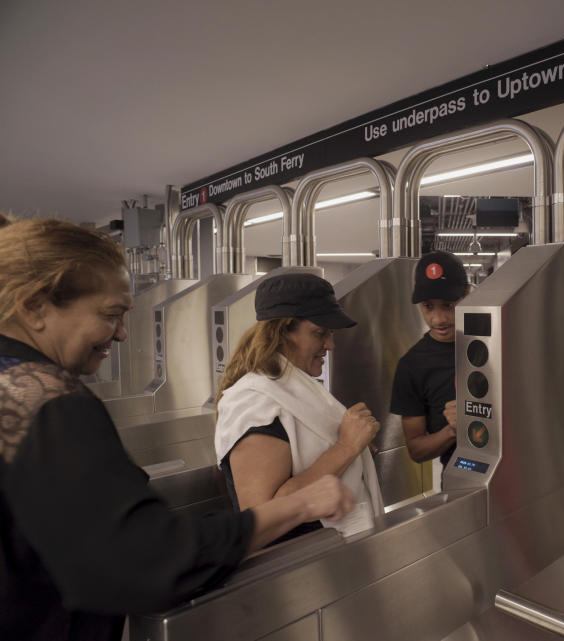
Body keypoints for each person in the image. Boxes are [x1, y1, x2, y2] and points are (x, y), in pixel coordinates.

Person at [0, 219, 354, 641]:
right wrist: (300, 504)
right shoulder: (47, 401)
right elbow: (146, 560)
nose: (122, 333)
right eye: (110, 314)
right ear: (35, 307)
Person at [215, 273, 383, 540]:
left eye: (330, 334)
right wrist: (346, 447)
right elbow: (262, 515)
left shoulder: (294, 386)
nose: (330, 345)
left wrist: (352, 444)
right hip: (295, 568)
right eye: (319, 333)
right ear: (282, 332)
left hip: (328, 557)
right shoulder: (254, 402)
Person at [390, 250, 469, 469]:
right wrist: (451, 430)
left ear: (468, 295)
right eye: (428, 306)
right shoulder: (412, 365)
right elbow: (416, 449)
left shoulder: (495, 343)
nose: (438, 319)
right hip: (461, 475)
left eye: (448, 305)